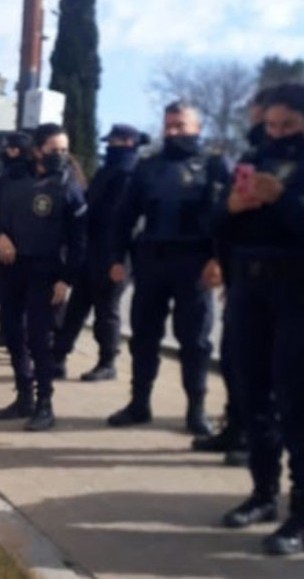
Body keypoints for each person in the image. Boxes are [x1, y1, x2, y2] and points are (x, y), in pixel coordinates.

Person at [216, 84, 304, 556]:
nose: (277, 134)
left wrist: (284, 199)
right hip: (249, 289)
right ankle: (263, 493)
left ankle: (300, 513)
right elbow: (220, 227)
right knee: (253, 395)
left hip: (296, 292)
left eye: (288, 125)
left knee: (296, 403)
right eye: (271, 125)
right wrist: (229, 209)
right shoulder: (255, 159)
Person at [107, 102, 230, 435]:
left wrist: (220, 260)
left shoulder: (215, 166)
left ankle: (196, 410)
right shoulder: (147, 168)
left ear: (197, 128)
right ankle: (139, 403)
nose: (173, 132)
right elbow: (125, 216)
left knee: (195, 341)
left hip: (196, 264)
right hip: (151, 262)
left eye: (181, 125)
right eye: (169, 126)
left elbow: (230, 219)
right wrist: (117, 258)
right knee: (144, 337)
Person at [0, 123, 87, 431]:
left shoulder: (68, 185)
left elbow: (79, 239)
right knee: (13, 333)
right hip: (10, 267)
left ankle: (45, 403)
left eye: (64, 150)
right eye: (54, 150)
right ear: (38, 149)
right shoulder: (12, 177)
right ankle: (24, 395)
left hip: (46, 270)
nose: (60, 155)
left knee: (39, 338)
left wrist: (66, 279)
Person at [191, 89, 277, 463]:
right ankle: (237, 428)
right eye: (261, 120)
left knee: (270, 372)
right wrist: (222, 261)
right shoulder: (251, 159)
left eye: (272, 122)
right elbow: (222, 220)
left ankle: (256, 446)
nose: (261, 128)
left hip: (285, 284)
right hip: (243, 278)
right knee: (235, 360)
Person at [52, 124, 148, 381]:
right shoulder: (110, 169)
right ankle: (57, 358)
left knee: (106, 311)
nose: (109, 146)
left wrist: (118, 259)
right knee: (76, 308)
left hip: (114, 255)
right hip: (92, 250)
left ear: (127, 142)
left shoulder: (129, 172)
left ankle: (107, 363)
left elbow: (122, 219)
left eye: (114, 142)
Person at [0, 132, 32, 348]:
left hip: (29, 251)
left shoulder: (35, 177)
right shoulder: (7, 177)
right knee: (6, 297)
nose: (7, 152)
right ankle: (6, 332)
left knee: (26, 302)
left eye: (10, 148)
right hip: (2, 249)